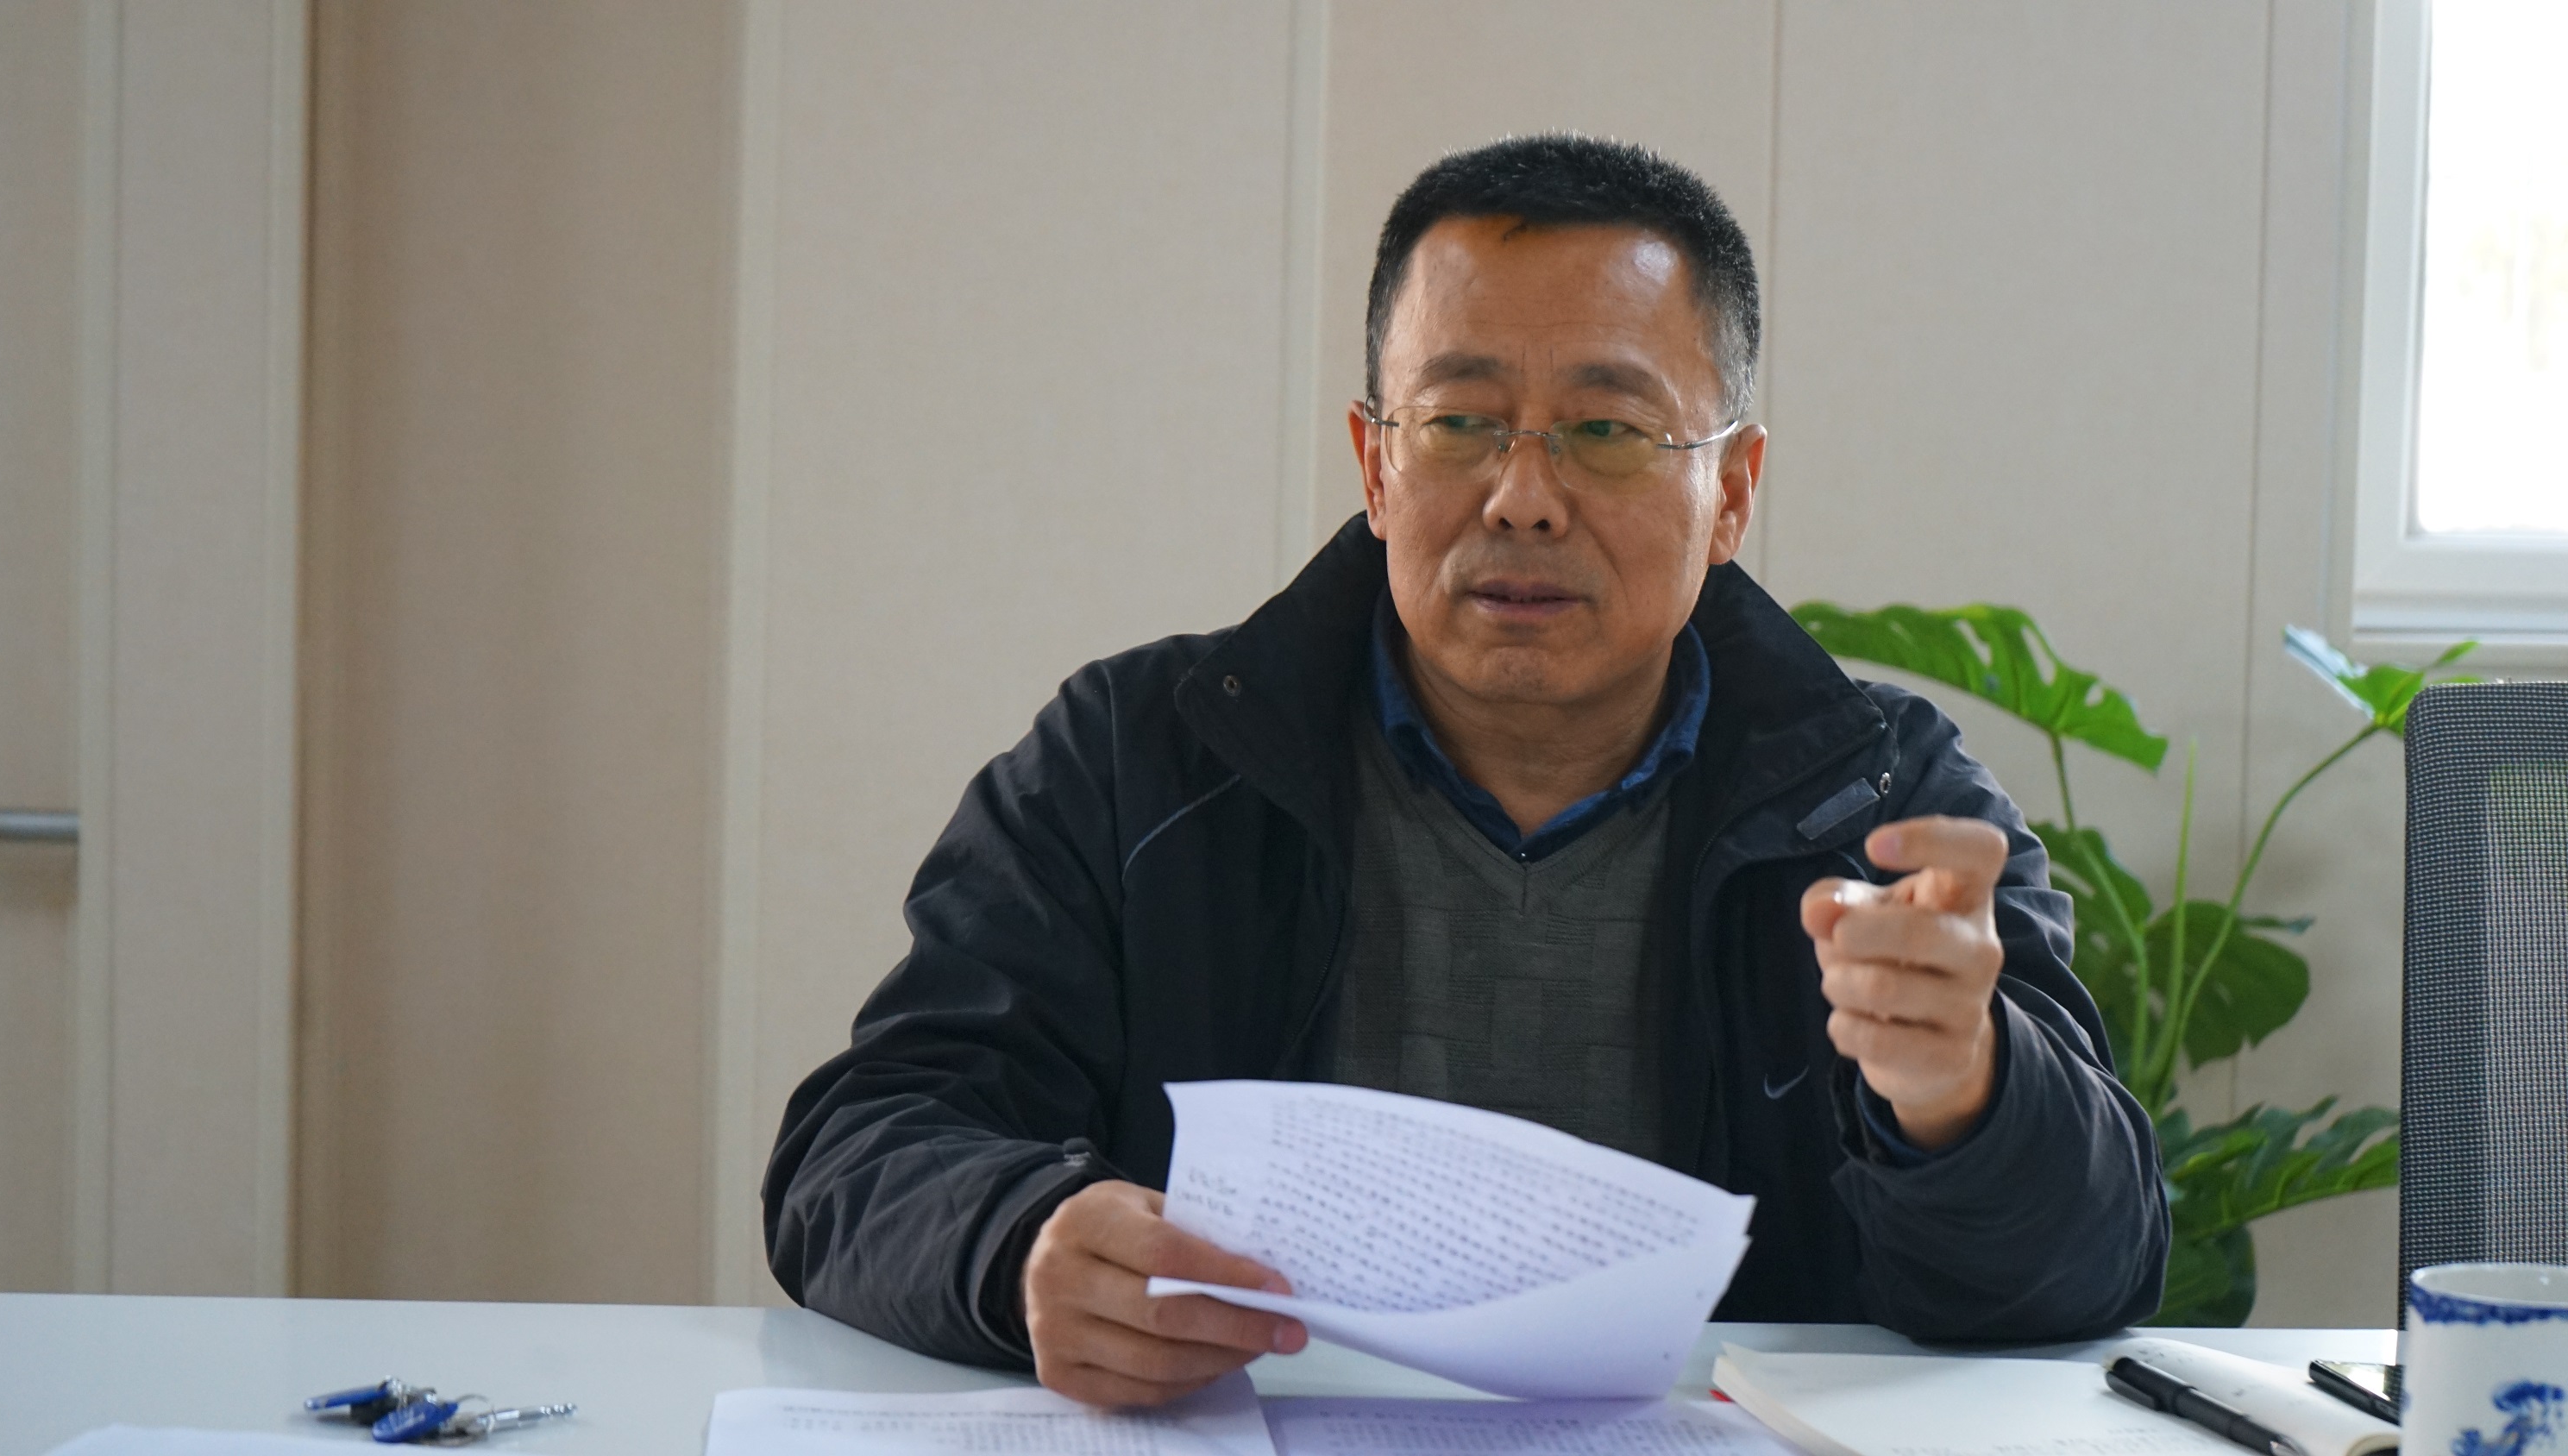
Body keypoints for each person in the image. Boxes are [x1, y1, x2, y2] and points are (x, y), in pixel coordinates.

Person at [764, 134, 2167, 1407]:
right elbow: (861, 1148)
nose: (1523, 497)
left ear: (1731, 491)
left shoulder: (1880, 803)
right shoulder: (1139, 759)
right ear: (1376, 467)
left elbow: (2095, 1265)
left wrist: (1964, 1093)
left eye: (1607, 431)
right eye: (1460, 423)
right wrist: (1017, 1242)